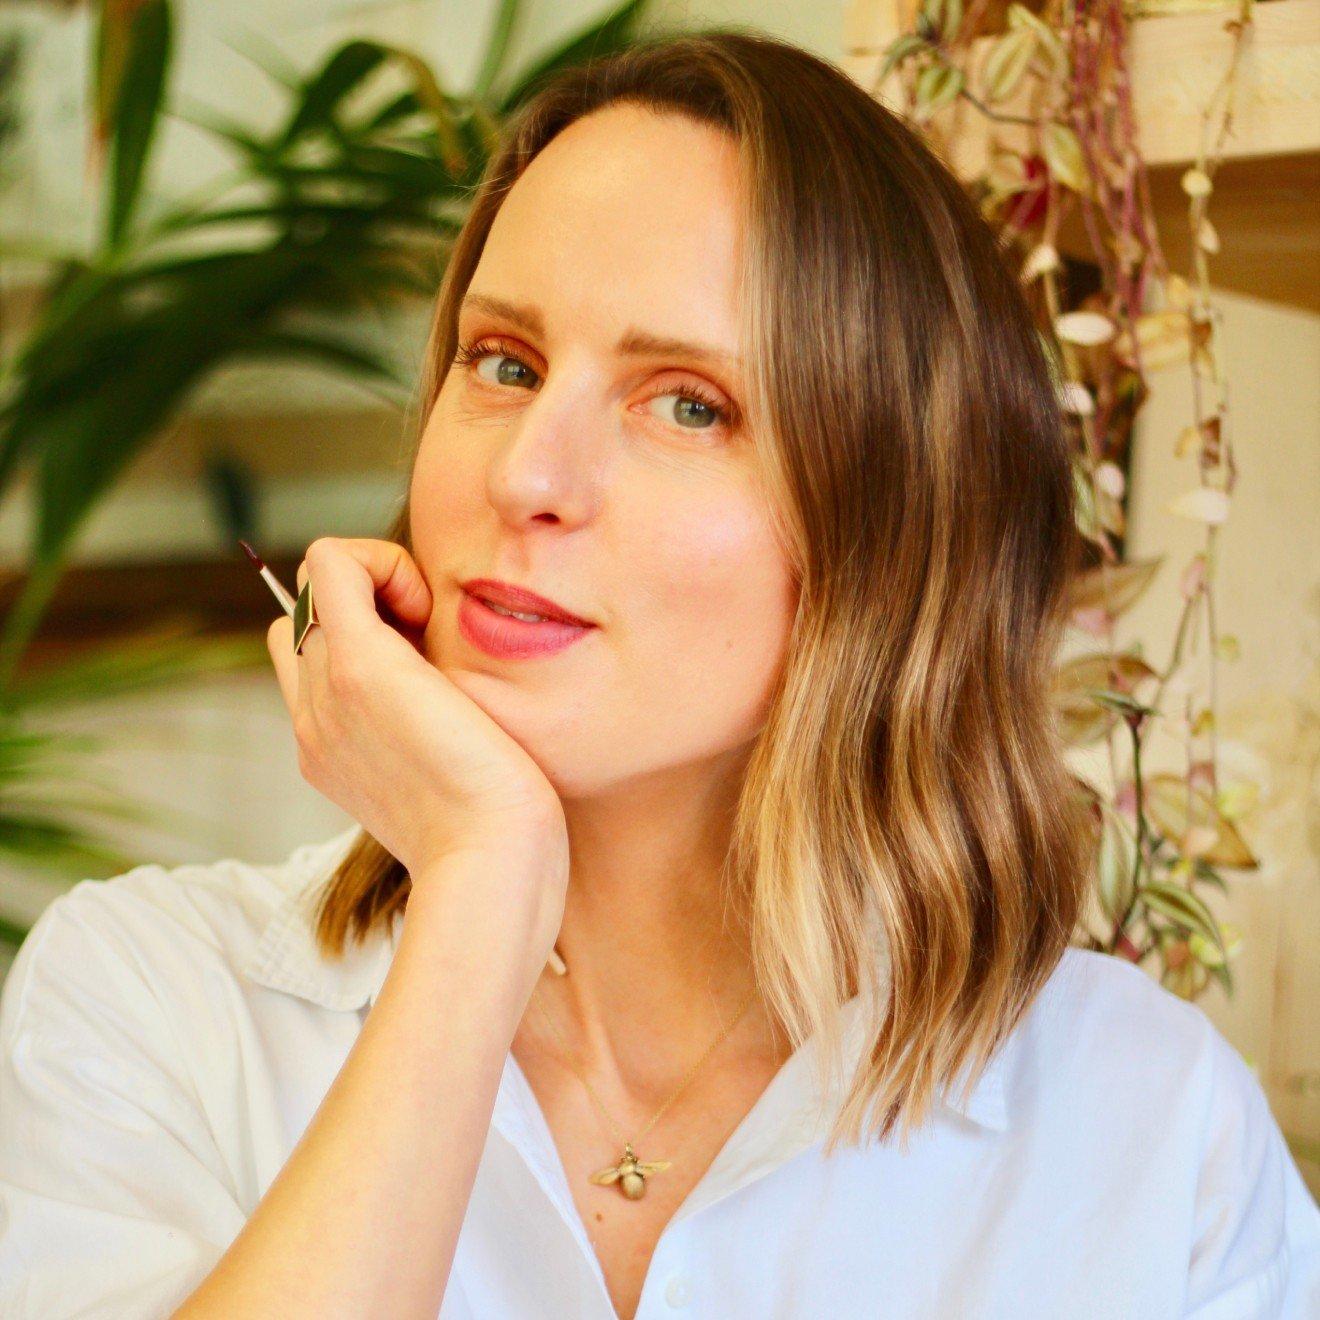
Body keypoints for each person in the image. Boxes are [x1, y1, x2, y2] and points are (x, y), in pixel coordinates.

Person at [1, 26, 1317, 1320]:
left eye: (688, 404)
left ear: (888, 529)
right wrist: (478, 890)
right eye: (503, 363)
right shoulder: (153, 999)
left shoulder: (1151, 1135)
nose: (526, 476)